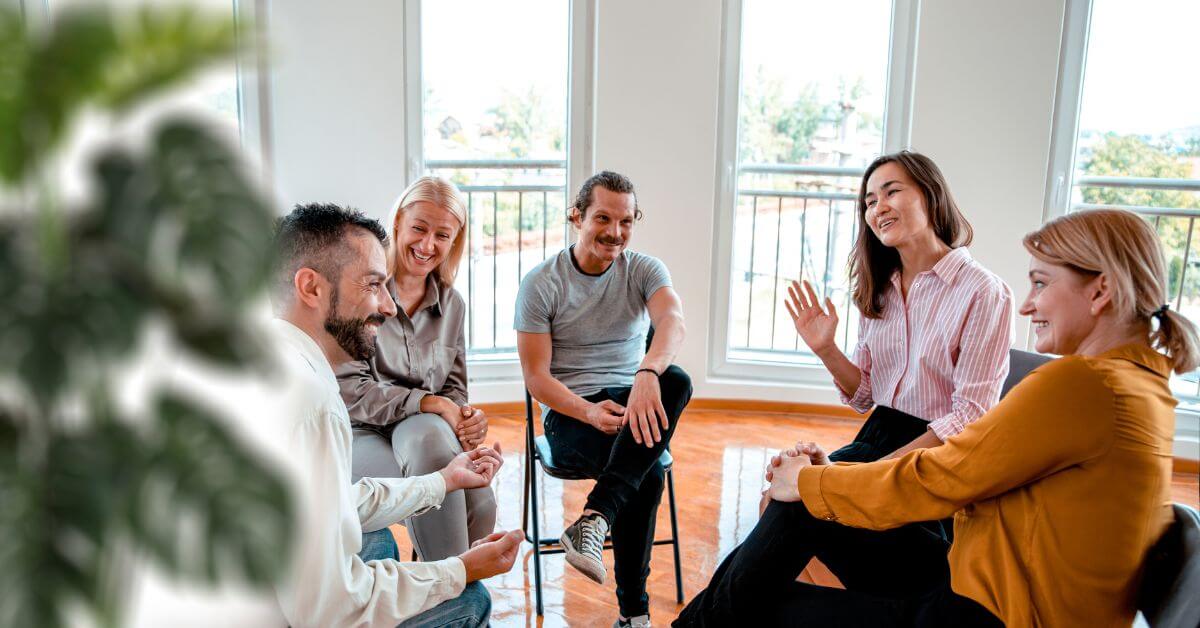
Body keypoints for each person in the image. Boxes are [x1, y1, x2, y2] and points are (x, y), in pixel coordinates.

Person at [676, 208, 1196, 627]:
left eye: (1040, 283)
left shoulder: (1085, 385)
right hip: (981, 578)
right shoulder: (1138, 386)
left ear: (1100, 290)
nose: (1028, 304)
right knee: (797, 515)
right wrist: (825, 479)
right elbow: (958, 466)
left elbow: (945, 475)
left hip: (989, 614)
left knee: (752, 603)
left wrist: (818, 481)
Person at [269, 202, 522, 627]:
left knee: (378, 538)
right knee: (471, 601)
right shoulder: (313, 405)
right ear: (311, 288)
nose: (388, 307)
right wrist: (458, 572)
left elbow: (335, 504)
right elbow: (330, 609)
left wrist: (444, 481)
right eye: (372, 285)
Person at [516, 171, 692, 628]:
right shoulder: (541, 283)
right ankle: (634, 616)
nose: (615, 232)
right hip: (571, 413)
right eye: (603, 218)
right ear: (576, 217)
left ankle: (594, 518)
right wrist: (590, 412)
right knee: (648, 474)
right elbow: (537, 378)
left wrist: (648, 372)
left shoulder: (644, 269)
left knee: (678, 380)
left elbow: (673, 320)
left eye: (626, 220)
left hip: (634, 396)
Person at [336, 177, 497, 563]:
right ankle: (449, 595)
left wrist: (465, 418)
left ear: (454, 242)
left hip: (427, 433)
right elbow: (351, 391)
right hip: (362, 432)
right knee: (434, 459)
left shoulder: (453, 305)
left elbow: (454, 389)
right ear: (397, 225)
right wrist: (431, 404)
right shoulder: (361, 291)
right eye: (419, 228)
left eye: (442, 235)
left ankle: (440, 592)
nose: (428, 246)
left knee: (483, 506)